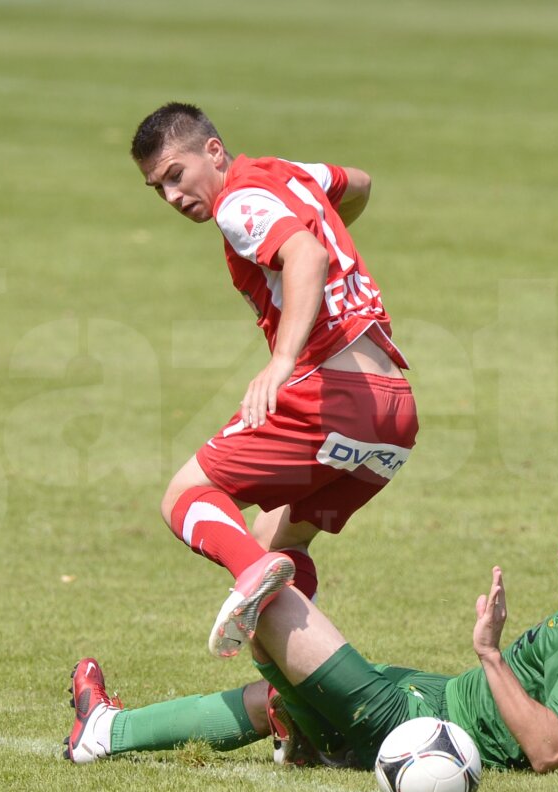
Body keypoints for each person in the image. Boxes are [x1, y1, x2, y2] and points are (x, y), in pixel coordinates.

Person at [65, 477, 558, 772]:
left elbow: (548, 750)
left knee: (270, 585)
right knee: (274, 692)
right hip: (434, 693)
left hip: (417, 724)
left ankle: (315, 729)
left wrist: (490, 654)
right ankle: (108, 732)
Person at [129, 102, 417, 660]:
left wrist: (282, 361)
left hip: (334, 397)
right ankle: (302, 700)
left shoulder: (236, 203)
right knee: (275, 540)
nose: (171, 197)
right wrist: (328, 230)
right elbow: (359, 183)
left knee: (185, 497)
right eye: (158, 188)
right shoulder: (289, 174)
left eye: (175, 175)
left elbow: (305, 254)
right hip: (394, 417)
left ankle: (251, 574)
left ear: (214, 151)